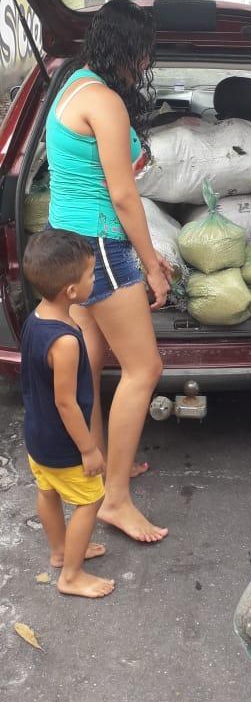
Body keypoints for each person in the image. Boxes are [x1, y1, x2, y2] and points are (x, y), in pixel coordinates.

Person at [46, 0, 172, 544]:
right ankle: (116, 500)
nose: (145, 67)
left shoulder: (73, 84)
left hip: (67, 241)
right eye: (144, 55)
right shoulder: (107, 103)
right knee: (145, 369)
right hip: (102, 243)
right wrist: (152, 265)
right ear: (130, 49)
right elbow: (123, 195)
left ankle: (98, 469)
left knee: (90, 365)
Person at [21, 229, 115, 598]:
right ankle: (71, 576)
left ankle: (62, 552)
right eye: (91, 275)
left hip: (37, 437)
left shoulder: (36, 318)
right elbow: (66, 402)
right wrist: (89, 449)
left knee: (47, 491)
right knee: (90, 499)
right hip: (64, 446)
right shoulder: (64, 342)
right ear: (71, 292)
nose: (95, 280)